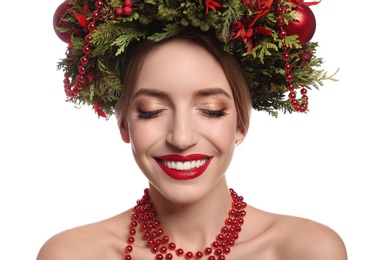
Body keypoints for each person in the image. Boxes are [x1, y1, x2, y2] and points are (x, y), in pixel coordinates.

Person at [38, 0, 347, 259]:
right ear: (124, 125)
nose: (182, 138)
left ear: (240, 124)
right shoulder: (71, 253)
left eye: (211, 110)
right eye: (151, 112)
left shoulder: (307, 250)